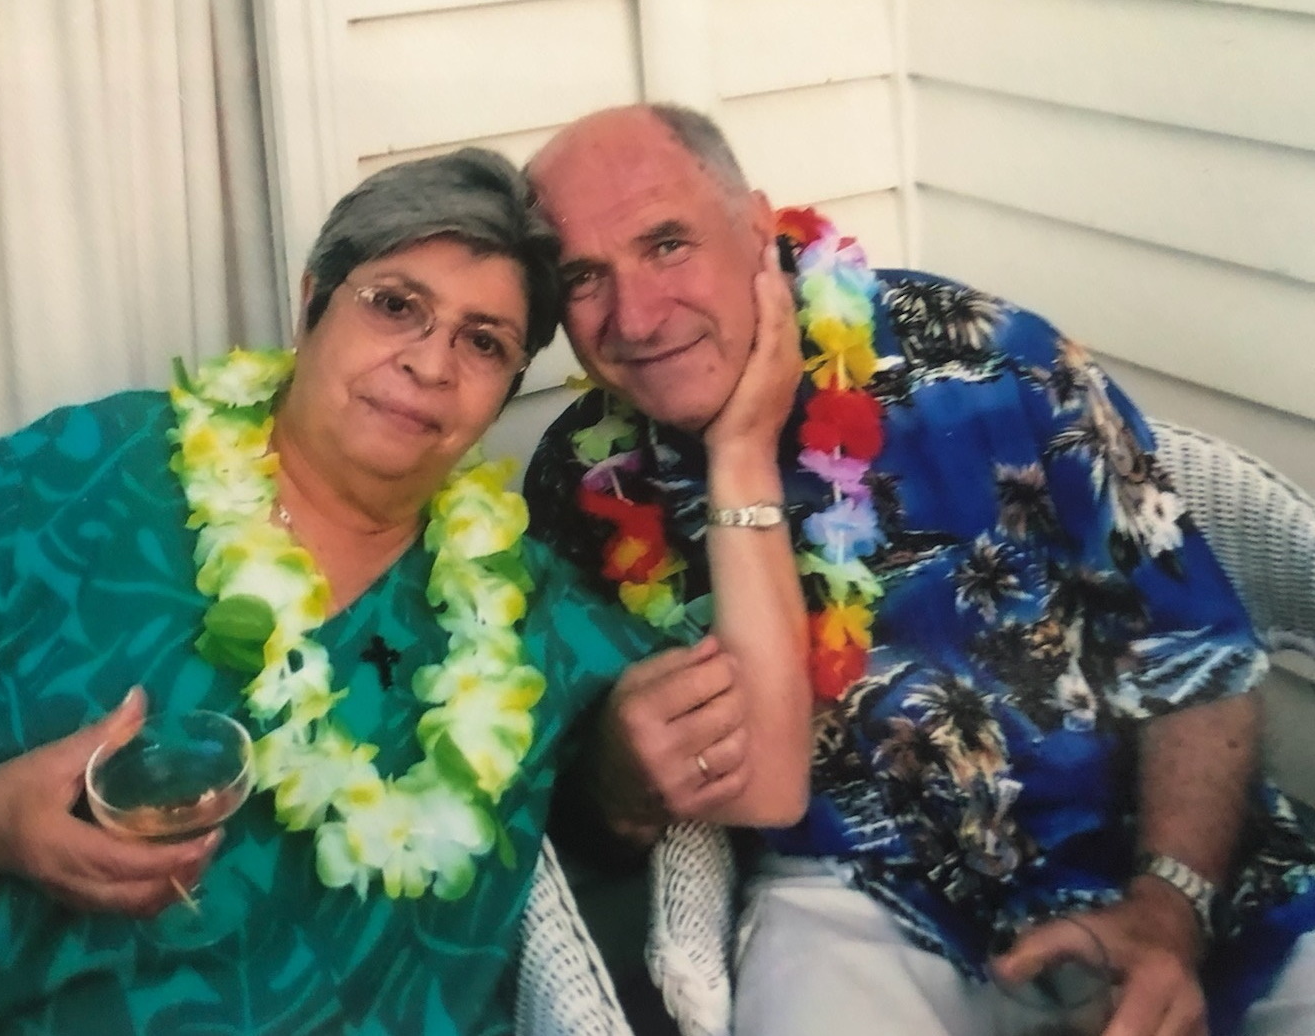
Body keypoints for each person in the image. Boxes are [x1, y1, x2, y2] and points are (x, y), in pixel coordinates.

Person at [0, 148, 675, 1036]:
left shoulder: (521, 614)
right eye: (395, 305)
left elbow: (728, 736)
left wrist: (742, 450)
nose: (430, 365)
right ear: (312, 302)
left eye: (483, 342)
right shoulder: (73, 480)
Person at [522, 104, 1315, 1036]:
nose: (635, 317)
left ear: (754, 228)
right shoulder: (588, 481)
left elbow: (1199, 654)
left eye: (666, 244)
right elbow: (577, 809)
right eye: (582, 277)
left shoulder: (984, 361)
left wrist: (1169, 911)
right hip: (854, 896)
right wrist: (613, 786)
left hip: (1149, 856)